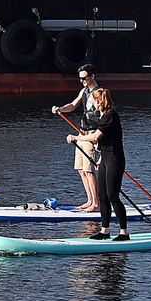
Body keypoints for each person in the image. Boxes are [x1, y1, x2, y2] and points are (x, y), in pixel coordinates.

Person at [72, 87, 129, 241]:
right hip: (104, 159)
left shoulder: (111, 116)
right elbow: (102, 141)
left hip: (115, 159)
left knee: (113, 195)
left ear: (100, 101)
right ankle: (105, 230)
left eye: (96, 100)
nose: (94, 104)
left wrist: (75, 138)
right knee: (103, 196)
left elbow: (95, 137)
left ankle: (124, 232)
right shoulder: (103, 116)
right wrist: (99, 160)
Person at [50, 63, 100, 212]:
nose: (82, 81)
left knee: (89, 169)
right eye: (80, 79)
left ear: (92, 76)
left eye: (84, 78)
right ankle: (89, 200)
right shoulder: (84, 91)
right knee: (81, 169)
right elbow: (72, 105)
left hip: (92, 135)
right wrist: (60, 109)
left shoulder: (100, 92)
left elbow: (105, 114)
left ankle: (96, 204)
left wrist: (99, 136)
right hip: (81, 133)